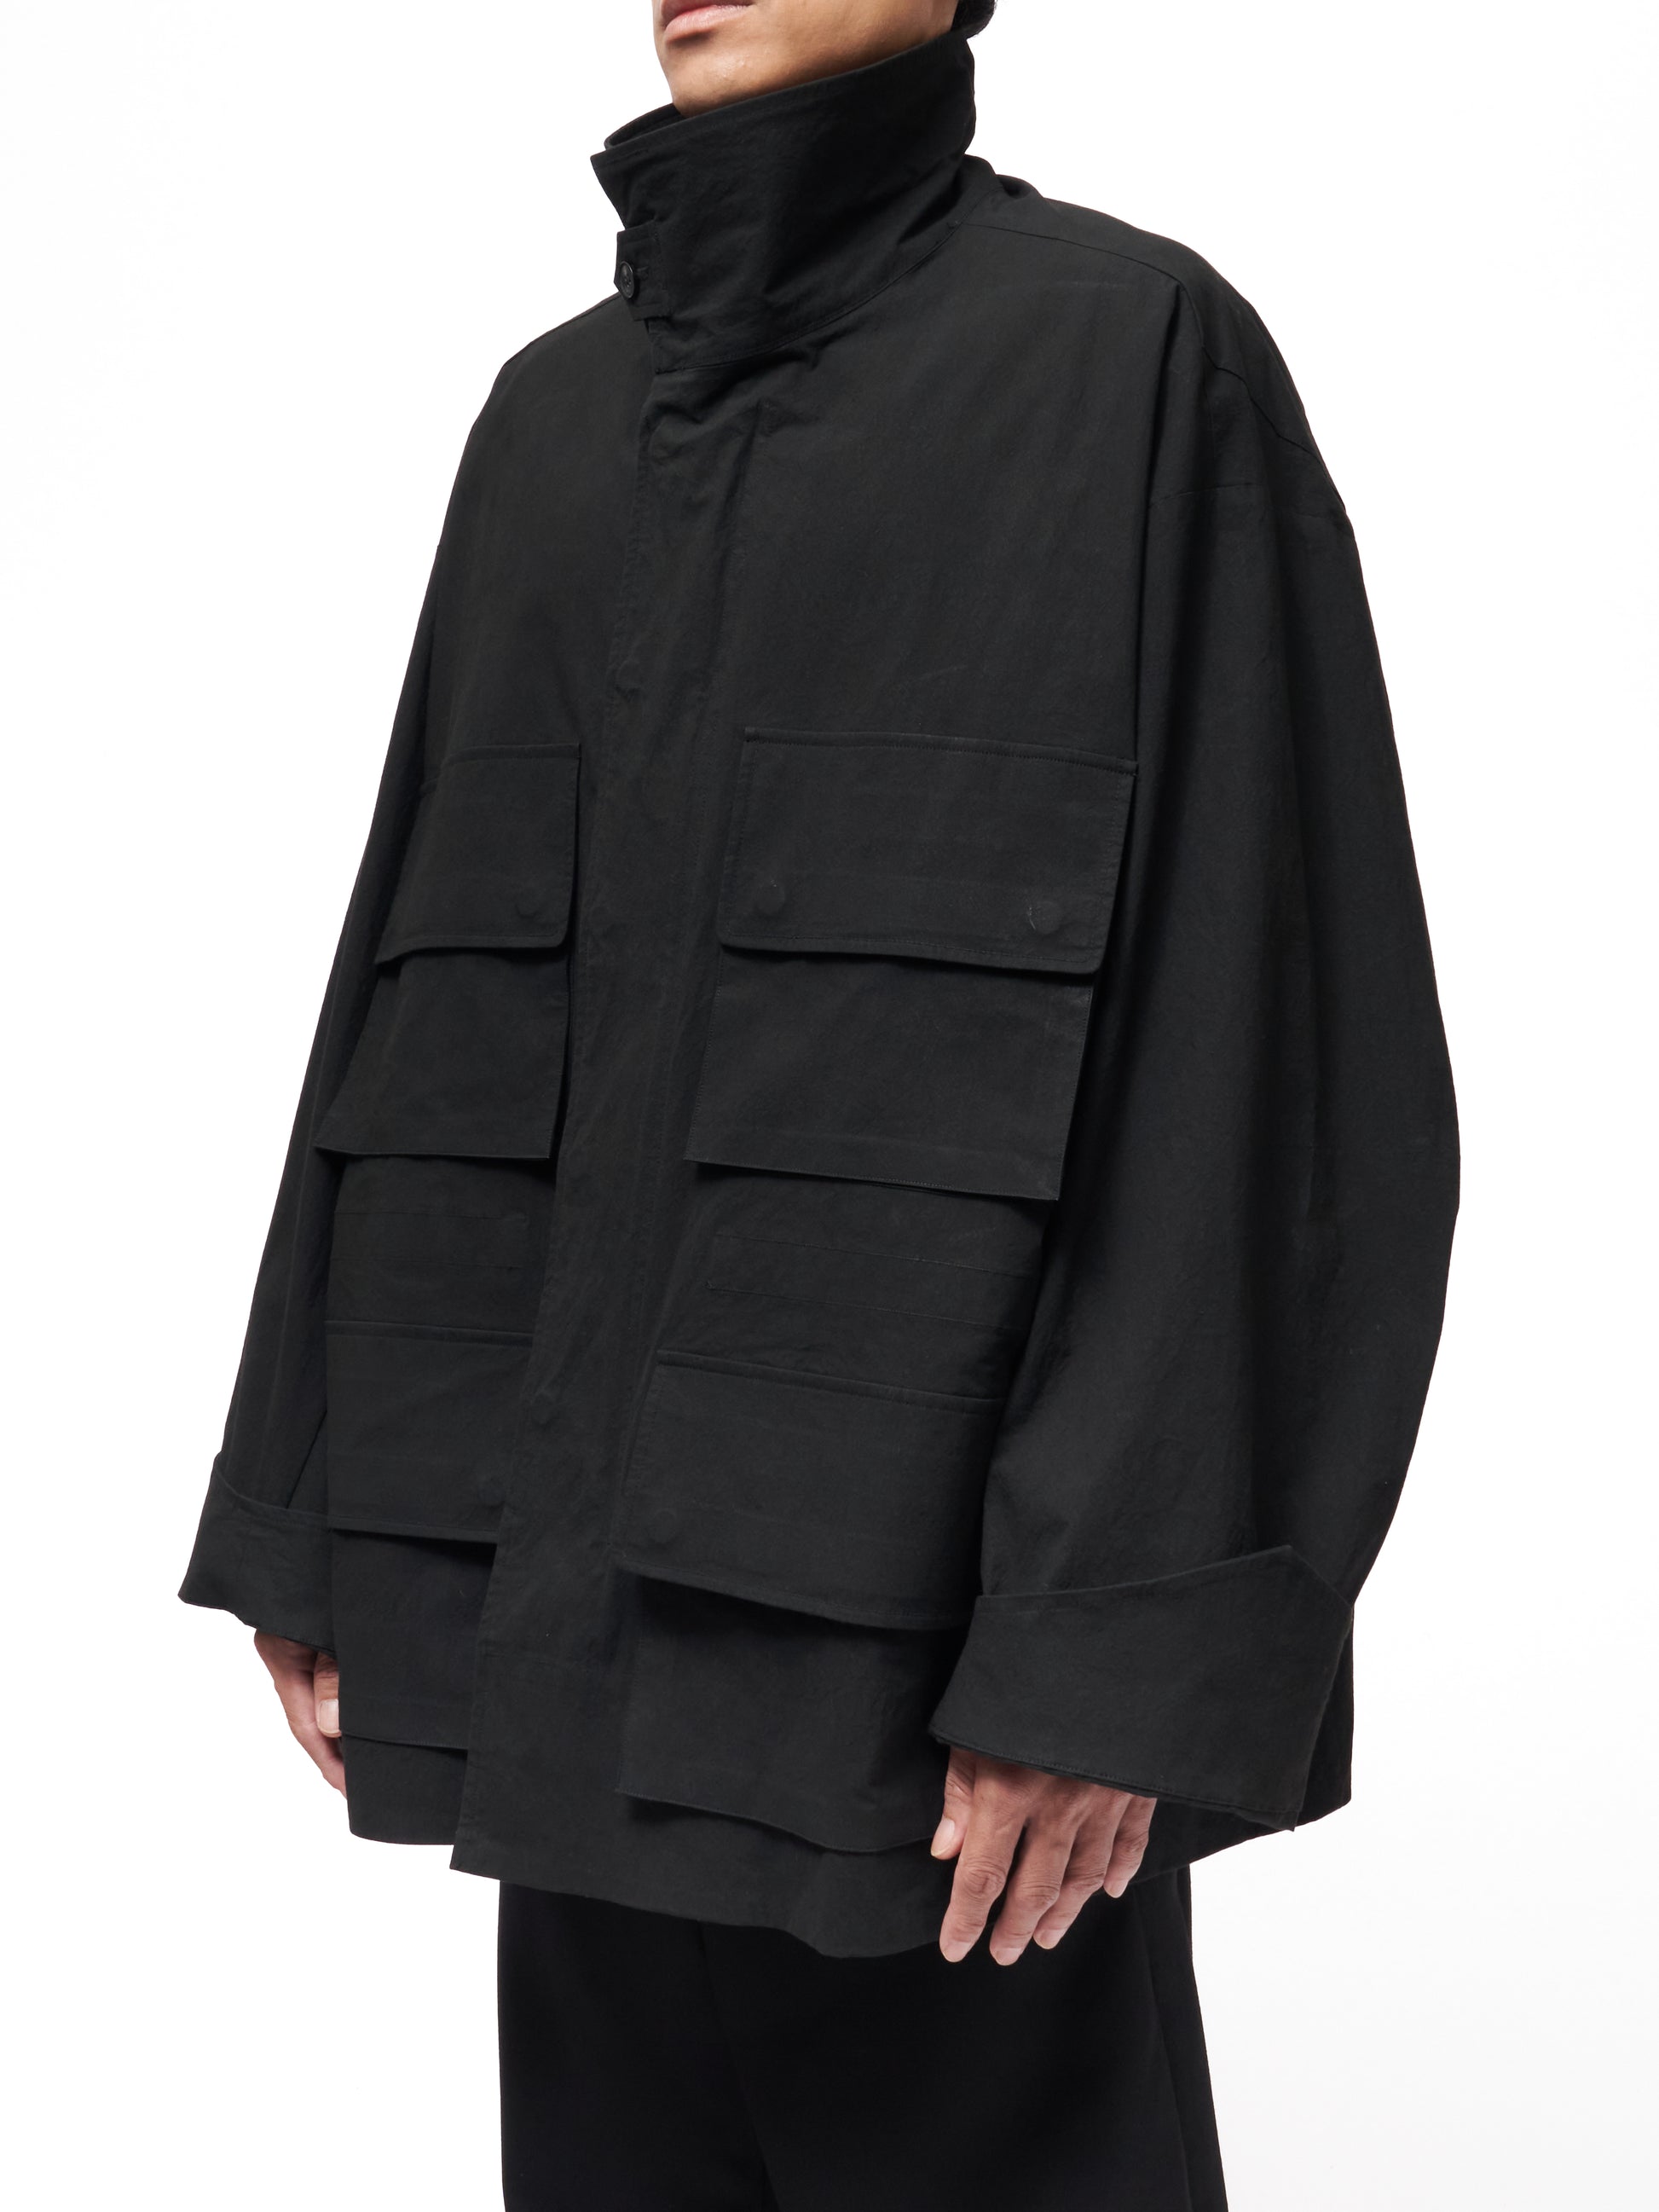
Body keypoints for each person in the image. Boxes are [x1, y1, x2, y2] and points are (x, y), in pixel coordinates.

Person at [181, 3, 1458, 2203]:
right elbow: (399, 968)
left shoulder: (1129, 360)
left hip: (942, 1742)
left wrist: (1107, 1660)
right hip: (573, 1687)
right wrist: (312, 1504)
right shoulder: (548, 423)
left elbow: (1272, 1064)